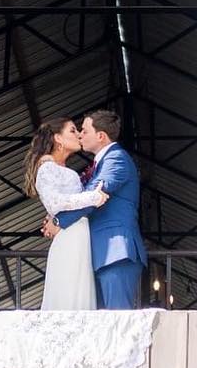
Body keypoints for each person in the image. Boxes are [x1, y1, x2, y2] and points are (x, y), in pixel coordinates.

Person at [41, 109, 147, 309]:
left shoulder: (116, 159)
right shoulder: (100, 164)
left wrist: (58, 222)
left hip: (116, 251)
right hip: (99, 253)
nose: (80, 135)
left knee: (118, 320)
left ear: (100, 136)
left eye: (84, 130)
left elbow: (91, 197)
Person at [23, 116, 109, 310]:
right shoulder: (47, 168)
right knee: (70, 295)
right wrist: (93, 198)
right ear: (58, 139)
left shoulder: (61, 170)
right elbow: (55, 202)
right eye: (72, 130)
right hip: (70, 236)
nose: (78, 134)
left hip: (79, 235)